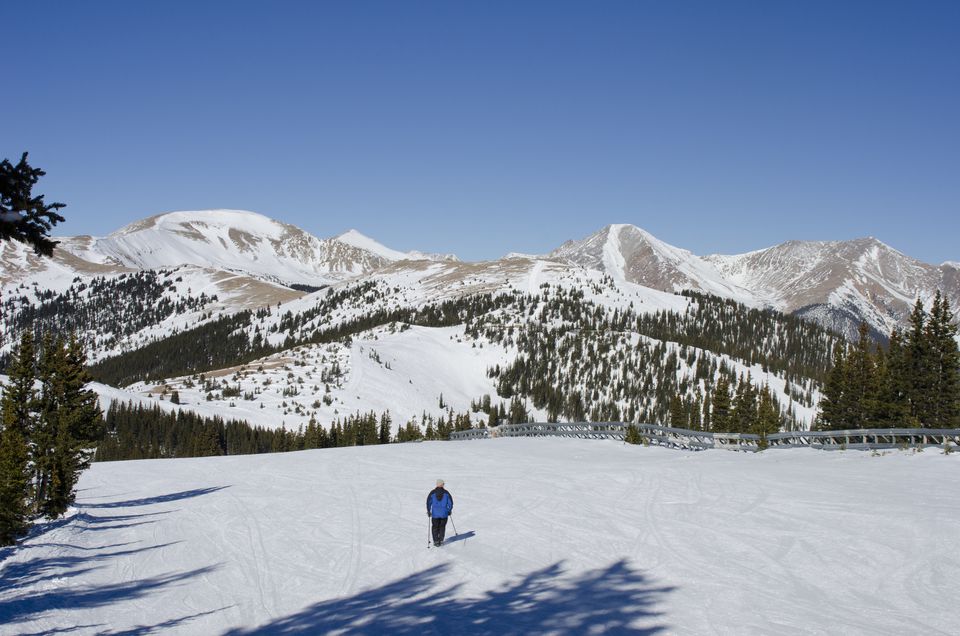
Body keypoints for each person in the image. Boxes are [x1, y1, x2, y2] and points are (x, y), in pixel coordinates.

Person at [426, 479, 453, 547]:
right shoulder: (446, 493)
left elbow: (428, 502)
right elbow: (450, 503)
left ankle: (436, 541)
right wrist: (449, 510)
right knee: (442, 527)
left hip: (435, 514)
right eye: (443, 484)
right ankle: (441, 540)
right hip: (444, 514)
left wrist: (429, 511)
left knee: (435, 527)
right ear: (442, 484)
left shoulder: (432, 493)